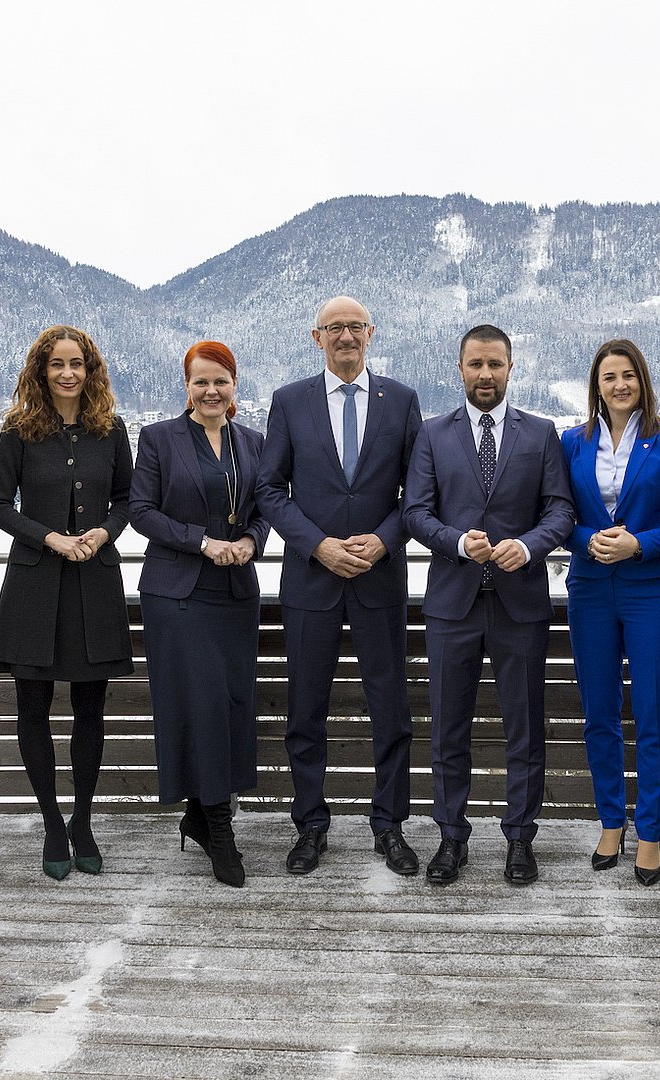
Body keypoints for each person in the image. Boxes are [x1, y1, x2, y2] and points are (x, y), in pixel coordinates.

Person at [257, 296, 423, 876]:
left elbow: (417, 493)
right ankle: (310, 826)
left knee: (391, 710)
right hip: (311, 578)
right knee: (306, 709)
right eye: (335, 328)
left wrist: (383, 540)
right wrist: (319, 545)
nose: (346, 336)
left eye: (355, 327)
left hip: (380, 577)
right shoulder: (289, 401)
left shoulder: (401, 400)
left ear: (371, 333)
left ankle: (390, 825)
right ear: (317, 336)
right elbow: (269, 490)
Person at [404, 324, 575, 885]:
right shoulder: (433, 434)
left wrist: (527, 547)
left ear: (510, 368)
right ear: (460, 368)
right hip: (451, 605)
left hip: (519, 604)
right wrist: (456, 542)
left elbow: (560, 511)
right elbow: (415, 512)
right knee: (447, 730)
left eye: (495, 364)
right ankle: (451, 838)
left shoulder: (541, 433)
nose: (485, 374)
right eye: (475, 364)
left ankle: (520, 838)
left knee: (524, 728)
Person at [0, 326, 133, 882]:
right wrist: (49, 537)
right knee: (33, 708)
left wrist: (103, 532)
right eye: (57, 364)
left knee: (91, 710)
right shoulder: (18, 431)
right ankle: (52, 822)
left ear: (90, 370)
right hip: (34, 587)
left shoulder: (111, 430)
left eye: (77, 364)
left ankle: (83, 821)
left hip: (95, 583)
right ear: (41, 372)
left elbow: (128, 499)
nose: (68, 373)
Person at [131, 340, 270, 887]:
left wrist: (252, 541)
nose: (211, 391)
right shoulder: (159, 439)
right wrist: (204, 542)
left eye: (221, 381)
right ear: (186, 386)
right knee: (203, 703)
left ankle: (198, 812)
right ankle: (219, 827)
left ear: (235, 385)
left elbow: (265, 508)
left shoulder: (253, 442)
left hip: (235, 592)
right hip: (178, 593)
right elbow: (142, 512)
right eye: (201, 381)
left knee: (230, 705)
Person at [560, 339, 660, 886]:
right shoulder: (572, 442)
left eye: (628, 376)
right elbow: (557, 515)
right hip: (591, 590)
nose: (619, 385)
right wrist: (587, 539)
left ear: (642, 381)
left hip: (652, 593)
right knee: (599, 713)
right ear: (596, 386)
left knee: (653, 713)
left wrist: (638, 544)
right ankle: (611, 822)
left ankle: (651, 832)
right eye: (609, 377)